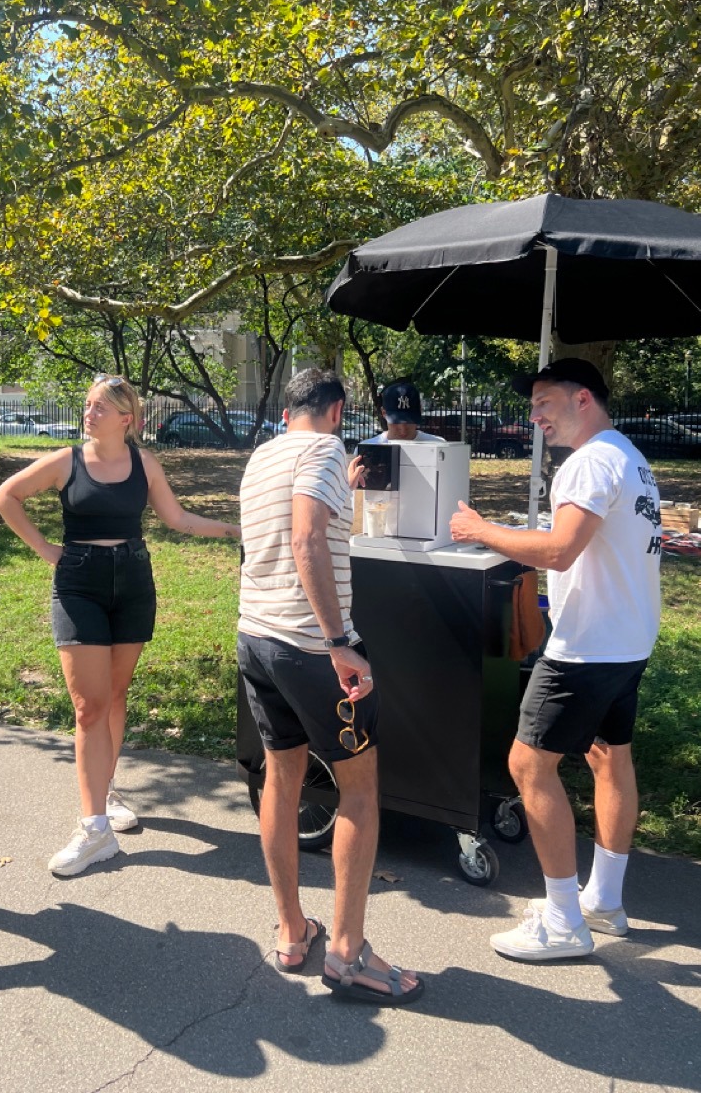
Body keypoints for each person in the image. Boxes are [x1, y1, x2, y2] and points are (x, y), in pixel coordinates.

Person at [450, 358, 661, 962]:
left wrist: (481, 528)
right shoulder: (630, 457)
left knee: (528, 766)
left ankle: (566, 921)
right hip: (629, 638)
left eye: (545, 403)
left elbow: (561, 553)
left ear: (584, 399)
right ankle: (605, 901)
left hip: (587, 647)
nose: (534, 415)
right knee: (606, 753)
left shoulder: (588, 462)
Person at [0, 374, 241, 876]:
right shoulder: (67, 461)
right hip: (79, 583)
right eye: (87, 405)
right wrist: (46, 551)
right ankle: (93, 830)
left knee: (116, 696)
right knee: (89, 707)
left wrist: (235, 528)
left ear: (127, 418)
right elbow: (5, 496)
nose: (89, 413)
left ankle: (104, 792)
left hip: (132, 582)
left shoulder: (144, 464)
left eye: (100, 407)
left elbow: (177, 518)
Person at [238, 368, 423, 1005]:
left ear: (288, 409)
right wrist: (339, 642)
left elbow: (287, 526)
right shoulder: (324, 448)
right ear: (339, 411)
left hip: (257, 636)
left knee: (281, 776)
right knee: (359, 786)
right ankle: (347, 953)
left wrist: (341, 492)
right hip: (311, 647)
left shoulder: (264, 454)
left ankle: (293, 932)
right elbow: (305, 538)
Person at [361, 380, 446, 444]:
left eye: (409, 421)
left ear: (420, 410)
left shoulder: (439, 445)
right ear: (384, 413)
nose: (403, 430)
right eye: (396, 422)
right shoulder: (367, 448)